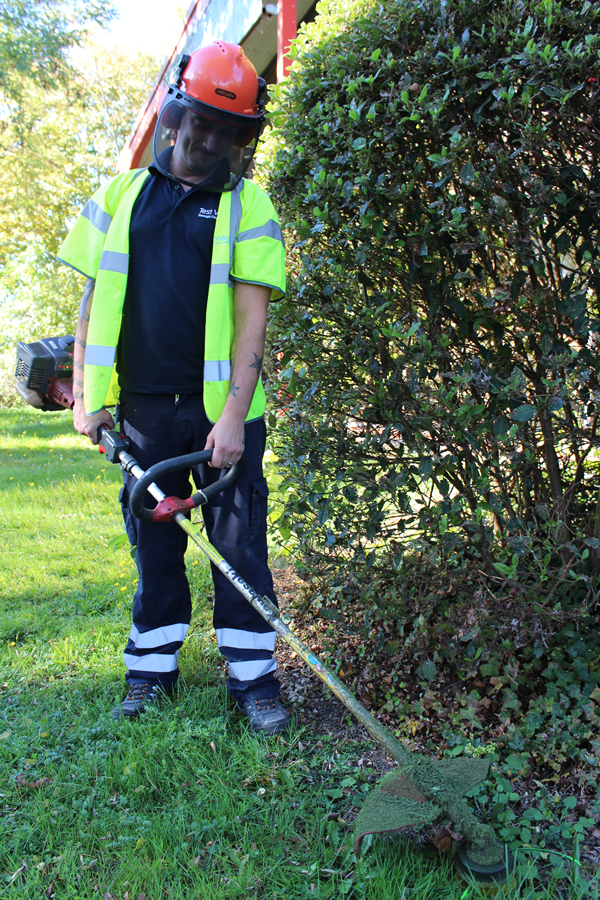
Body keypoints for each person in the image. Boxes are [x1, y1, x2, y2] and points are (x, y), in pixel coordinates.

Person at [57, 42, 290, 735]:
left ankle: (254, 681)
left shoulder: (249, 207)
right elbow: (91, 307)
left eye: (229, 131)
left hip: (225, 418)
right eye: (202, 123)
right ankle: (151, 669)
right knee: (154, 548)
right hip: (145, 416)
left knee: (241, 548)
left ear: (243, 137)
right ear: (176, 112)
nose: (210, 140)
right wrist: (84, 396)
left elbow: (252, 326)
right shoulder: (119, 199)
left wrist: (233, 420)